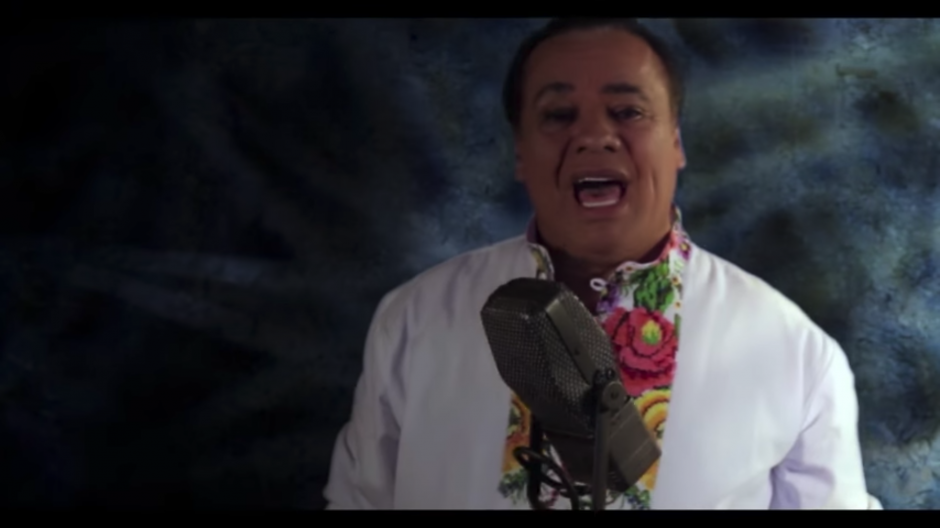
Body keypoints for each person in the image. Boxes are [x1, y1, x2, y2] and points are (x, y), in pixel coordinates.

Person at [323, 18, 882, 509]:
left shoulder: (793, 352)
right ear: (520, 152)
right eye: (558, 114)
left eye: (628, 111)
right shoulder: (416, 321)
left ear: (676, 142)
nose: (593, 135)